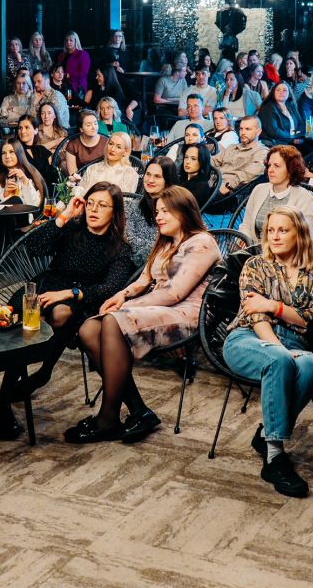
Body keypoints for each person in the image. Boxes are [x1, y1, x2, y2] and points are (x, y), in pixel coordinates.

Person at [68, 186, 219, 445]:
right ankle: (139, 411)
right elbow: (144, 278)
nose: (158, 216)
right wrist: (123, 295)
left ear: (184, 212)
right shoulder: (166, 242)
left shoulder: (202, 243)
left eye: (166, 211)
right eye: (157, 211)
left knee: (112, 321)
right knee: (88, 330)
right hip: (159, 308)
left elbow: (175, 293)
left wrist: (129, 306)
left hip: (188, 313)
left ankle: (108, 419)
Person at [0, 184, 136, 438]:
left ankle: (42, 372)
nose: (94, 210)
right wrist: (64, 216)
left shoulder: (120, 249)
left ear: (115, 212)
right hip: (47, 286)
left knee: (62, 315)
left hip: (79, 300)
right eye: (90, 203)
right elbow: (33, 248)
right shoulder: (72, 228)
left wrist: (70, 293)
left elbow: (110, 288)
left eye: (102, 205)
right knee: (28, 318)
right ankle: (4, 400)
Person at [218, 206, 313, 497]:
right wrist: (280, 345)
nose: (275, 236)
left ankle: (265, 434)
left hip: (293, 344)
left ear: (299, 234)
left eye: (283, 230)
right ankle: (275, 457)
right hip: (248, 338)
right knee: (280, 360)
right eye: (271, 231)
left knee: (312, 367)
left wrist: (273, 305)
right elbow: (256, 316)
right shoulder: (255, 265)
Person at [238, 145, 313, 241]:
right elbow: (246, 224)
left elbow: (304, 237)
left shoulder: (304, 198)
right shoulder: (259, 189)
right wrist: (244, 241)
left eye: (276, 166)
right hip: (254, 247)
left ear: (290, 169)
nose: (270, 170)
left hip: (287, 249)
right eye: (269, 165)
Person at [126, 158, 181, 264]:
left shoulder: (179, 207)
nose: (150, 180)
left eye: (157, 176)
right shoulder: (131, 207)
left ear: (168, 180)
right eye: (148, 174)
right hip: (139, 267)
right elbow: (129, 243)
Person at [212, 115, 268, 194]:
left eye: (248, 129)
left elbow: (250, 174)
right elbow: (213, 161)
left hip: (228, 191)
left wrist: (229, 186)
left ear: (258, 132)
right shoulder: (232, 147)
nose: (243, 133)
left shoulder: (261, 152)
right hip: (212, 182)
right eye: (241, 129)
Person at [75, 131, 137, 196]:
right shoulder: (92, 169)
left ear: (126, 152)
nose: (112, 149)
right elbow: (81, 193)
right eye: (111, 144)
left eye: (118, 147)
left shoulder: (129, 173)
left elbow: (126, 200)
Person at [257, 81, 302, 145]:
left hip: (292, 140)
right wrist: (292, 138)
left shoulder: (291, 105)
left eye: (284, 90)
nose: (281, 92)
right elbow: (274, 131)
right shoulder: (268, 107)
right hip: (276, 143)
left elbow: (300, 123)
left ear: (289, 93)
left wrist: (298, 135)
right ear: (273, 93)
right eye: (278, 90)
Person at [178, 143, 216, 209]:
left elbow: (181, 207)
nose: (187, 162)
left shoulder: (202, 186)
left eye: (193, 159)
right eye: (186, 157)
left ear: (202, 161)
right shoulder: (182, 178)